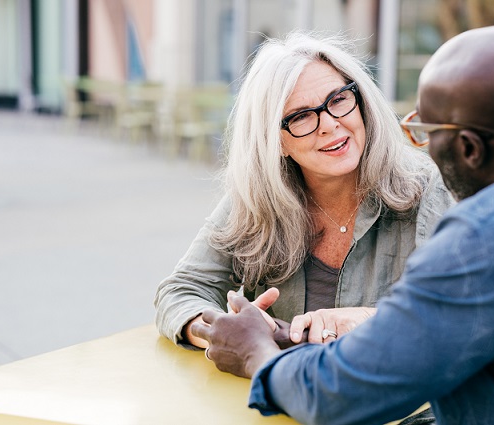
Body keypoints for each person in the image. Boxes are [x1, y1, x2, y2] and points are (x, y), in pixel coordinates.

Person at [191, 24, 494, 425]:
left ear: (469, 148)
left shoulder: (482, 241)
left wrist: (253, 353)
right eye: (301, 117)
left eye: (424, 133)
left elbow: (342, 395)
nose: (330, 124)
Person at [154, 30, 454, 353]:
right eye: (301, 117)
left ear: (361, 103)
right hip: (278, 398)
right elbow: (180, 290)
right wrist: (226, 332)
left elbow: (457, 314)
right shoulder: (258, 200)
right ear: (276, 142)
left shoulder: (429, 190)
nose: (329, 124)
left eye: (338, 100)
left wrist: (369, 319)